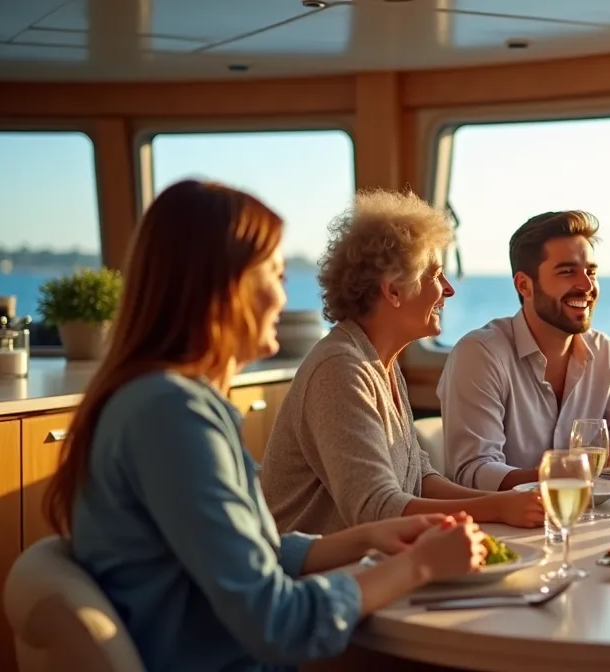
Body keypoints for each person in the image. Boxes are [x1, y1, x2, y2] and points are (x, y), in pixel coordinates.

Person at [47, 180, 487, 672]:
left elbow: (255, 551)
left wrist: (369, 539)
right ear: (225, 286)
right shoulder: (171, 417)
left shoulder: (167, 401)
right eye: (275, 274)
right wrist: (419, 565)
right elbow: (278, 622)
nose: (283, 298)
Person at [262, 190, 545, 532]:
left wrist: (505, 500)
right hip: (319, 576)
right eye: (435, 275)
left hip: (371, 562)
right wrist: (497, 508)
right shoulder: (340, 369)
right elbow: (375, 508)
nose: (447, 289)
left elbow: (418, 478)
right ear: (393, 290)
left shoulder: (381, 363)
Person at [439, 210, 610, 491]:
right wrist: (572, 470)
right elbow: (475, 471)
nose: (587, 285)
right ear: (524, 285)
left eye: (591, 271)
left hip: (586, 517)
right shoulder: (480, 354)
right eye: (568, 271)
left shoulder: (603, 350)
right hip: (503, 527)